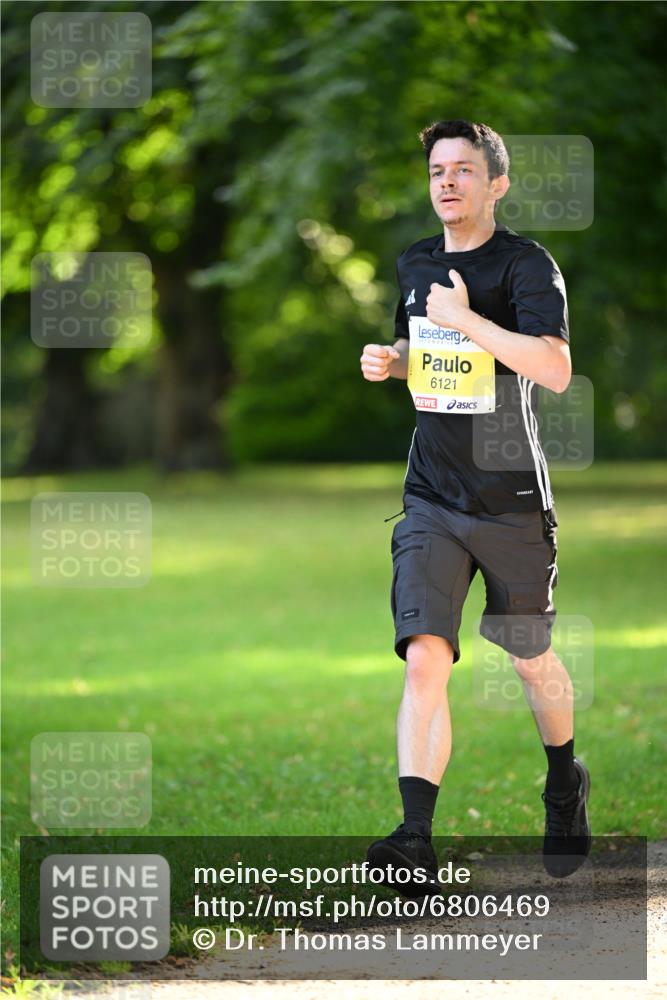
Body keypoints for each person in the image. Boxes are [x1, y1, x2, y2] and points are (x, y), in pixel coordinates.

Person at [360, 119, 591, 892]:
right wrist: (390, 359)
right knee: (424, 654)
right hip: (431, 494)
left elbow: (553, 368)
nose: (447, 182)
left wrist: (467, 321)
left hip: (509, 496)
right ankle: (413, 839)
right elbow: (420, 355)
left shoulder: (526, 265)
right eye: (436, 170)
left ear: (496, 183)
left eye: (463, 169)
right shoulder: (415, 262)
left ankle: (563, 780)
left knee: (528, 656)